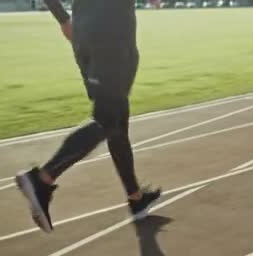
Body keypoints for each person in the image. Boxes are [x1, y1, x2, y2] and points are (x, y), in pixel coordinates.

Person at [16, 0, 161, 233]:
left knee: (116, 118)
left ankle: (135, 197)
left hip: (84, 33)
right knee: (107, 118)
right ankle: (42, 179)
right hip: (113, 35)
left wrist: (63, 18)